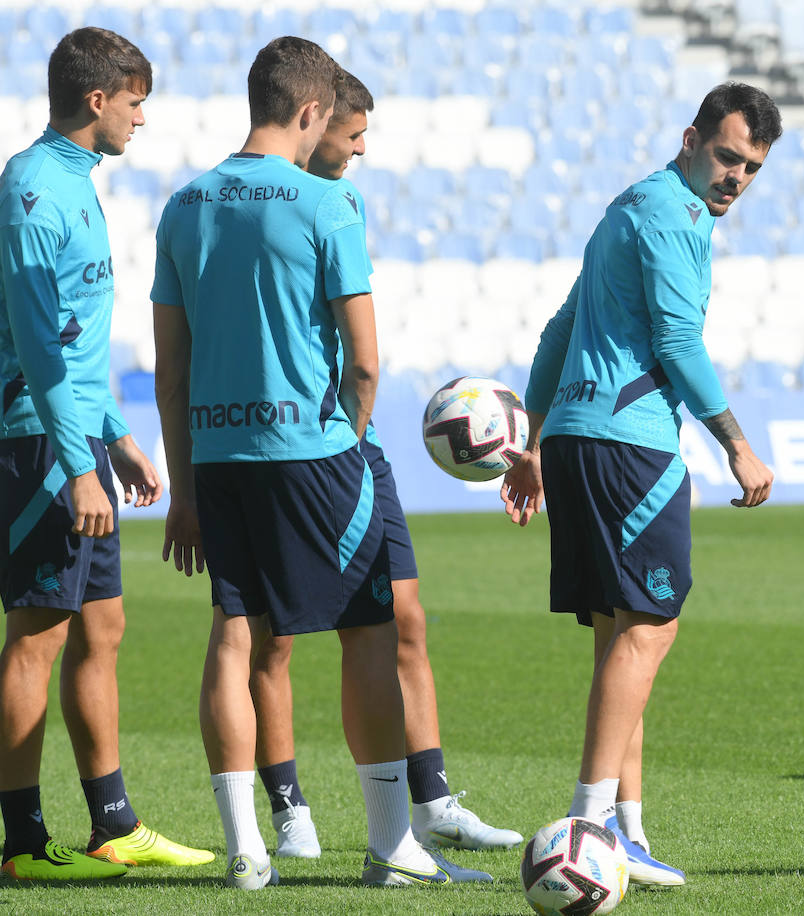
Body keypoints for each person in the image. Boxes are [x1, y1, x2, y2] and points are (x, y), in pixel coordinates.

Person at [150, 37, 486, 890]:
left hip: (218, 454)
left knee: (233, 634)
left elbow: (171, 368)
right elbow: (365, 361)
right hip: (313, 450)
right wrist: (351, 437)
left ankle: (245, 851)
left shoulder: (184, 205)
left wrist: (183, 488)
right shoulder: (327, 204)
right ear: (311, 113)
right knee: (368, 630)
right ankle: (390, 849)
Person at [501, 82, 781, 888]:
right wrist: (736, 443)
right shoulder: (672, 216)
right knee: (652, 628)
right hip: (631, 446)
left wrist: (535, 438)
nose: (735, 178)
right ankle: (587, 829)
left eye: (751, 168)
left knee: (622, 636)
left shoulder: (633, 205)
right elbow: (676, 340)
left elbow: (562, 328)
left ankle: (626, 831)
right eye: (727, 156)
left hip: (583, 441)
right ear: (691, 138)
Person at [245, 69, 521, 860]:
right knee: (273, 639)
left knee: (403, 618)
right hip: (283, 446)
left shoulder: (345, 203)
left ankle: (431, 803)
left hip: (350, 438)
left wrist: (352, 431)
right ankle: (288, 806)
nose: (362, 150)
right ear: (315, 118)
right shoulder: (255, 204)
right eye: (353, 134)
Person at [0, 26, 214, 881]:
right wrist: (77, 461)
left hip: (80, 439)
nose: (141, 121)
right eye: (135, 103)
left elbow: (81, 339)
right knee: (36, 638)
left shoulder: (76, 181)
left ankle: (113, 825)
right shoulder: (34, 191)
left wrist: (117, 437)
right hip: (37, 445)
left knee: (104, 626)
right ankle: (21, 844)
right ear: (98, 100)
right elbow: (40, 347)